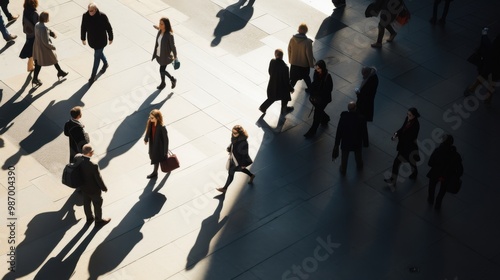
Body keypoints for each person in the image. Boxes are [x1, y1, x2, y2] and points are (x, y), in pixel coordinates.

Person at [384, 107, 421, 191]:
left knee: (397, 163)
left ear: (414, 116)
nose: (408, 116)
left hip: (408, 148)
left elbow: (411, 137)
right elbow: (402, 129)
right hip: (405, 147)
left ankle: (393, 180)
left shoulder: (416, 125)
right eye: (407, 114)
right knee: (411, 161)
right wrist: (396, 134)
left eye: (410, 115)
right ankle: (414, 173)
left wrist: (398, 137)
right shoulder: (408, 119)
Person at [74, 144, 111, 226]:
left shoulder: (78, 159)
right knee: (97, 204)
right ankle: (98, 220)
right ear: (90, 153)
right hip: (94, 190)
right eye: (92, 151)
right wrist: (104, 188)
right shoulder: (93, 165)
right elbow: (98, 179)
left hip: (84, 188)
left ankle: (89, 218)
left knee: (86, 203)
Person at [32, 11, 68, 87]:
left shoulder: (37, 25)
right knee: (51, 59)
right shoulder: (43, 29)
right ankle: (59, 72)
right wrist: (53, 47)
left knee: (40, 62)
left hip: (38, 46)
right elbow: (46, 42)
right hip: (44, 48)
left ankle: (60, 71)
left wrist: (51, 33)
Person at [427, 134, 463, 210]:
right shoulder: (455, 155)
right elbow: (460, 169)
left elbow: (430, 163)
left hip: (436, 173)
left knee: (432, 187)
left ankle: (431, 199)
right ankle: (438, 204)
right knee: (442, 190)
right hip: (447, 176)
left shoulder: (437, 151)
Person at [464, 28, 500, 104]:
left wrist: (484, 35)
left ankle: (471, 89)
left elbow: (490, 47)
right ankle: (488, 99)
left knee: (483, 76)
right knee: (493, 81)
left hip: (491, 62)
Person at [81, 2, 113, 84]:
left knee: (96, 57)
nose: (90, 12)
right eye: (89, 10)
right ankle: (105, 63)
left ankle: (92, 76)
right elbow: (83, 27)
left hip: (101, 41)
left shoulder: (102, 16)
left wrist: (111, 38)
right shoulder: (85, 16)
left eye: (91, 10)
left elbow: (109, 28)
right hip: (92, 41)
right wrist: (83, 38)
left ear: (95, 10)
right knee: (99, 54)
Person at [332, 102, 368, 175]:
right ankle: (359, 165)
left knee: (344, 156)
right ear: (355, 108)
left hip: (346, 140)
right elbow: (364, 132)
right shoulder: (361, 118)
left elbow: (339, 131)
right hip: (357, 141)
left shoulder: (344, 117)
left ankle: (343, 169)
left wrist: (337, 143)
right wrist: (365, 143)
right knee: (358, 155)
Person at [216, 125, 255, 193]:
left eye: (235, 133)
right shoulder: (234, 137)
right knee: (240, 170)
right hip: (234, 158)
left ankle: (225, 188)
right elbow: (233, 144)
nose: (233, 134)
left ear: (240, 133)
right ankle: (251, 175)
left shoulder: (244, 142)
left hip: (239, 161)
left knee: (231, 173)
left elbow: (245, 154)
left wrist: (243, 164)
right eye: (233, 132)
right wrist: (230, 148)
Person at [259, 49, 294, 114]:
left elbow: (269, 71)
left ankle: (263, 107)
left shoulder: (272, 62)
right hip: (281, 86)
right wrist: (291, 88)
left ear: (275, 55)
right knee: (285, 95)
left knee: (271, 98)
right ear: (282, 56)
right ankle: (284, 109)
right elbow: (286, 80)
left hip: (272, 84)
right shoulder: (285, 67)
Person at [304, 60, 333, 138]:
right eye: (316, 68)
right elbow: (314, 83)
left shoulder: (328, 76)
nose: (317, 70)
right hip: (317, 97)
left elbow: (329, 89)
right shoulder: (316, 73)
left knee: (317, 114)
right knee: (318, 111)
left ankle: (312, 131)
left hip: (323, 99)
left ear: (322, 68)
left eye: (318, 68)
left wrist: (320, 94)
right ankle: (325, 118)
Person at [152, 17, 177, 90]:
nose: (160, 25)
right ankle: (163, 83)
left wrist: (175, 56)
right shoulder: (160, 31)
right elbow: (159, 30)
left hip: (165, 56)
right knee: (161, 70)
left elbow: (173, 46)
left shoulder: (169, 35)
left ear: (166, 25)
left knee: (162, 70)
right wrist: (157, 27)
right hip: (159, 54)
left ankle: (172, 79)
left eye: (162, 24)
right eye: (159, 23)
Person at [288, 23, 315, 93]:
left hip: (294, 64)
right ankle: (310, 89)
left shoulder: (292, 39)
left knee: (293, 79)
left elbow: (289, 50)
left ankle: (288, 90)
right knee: (306, 77)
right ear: (306, 31)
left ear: (298, 30)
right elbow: (309, 54)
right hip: (304, 65)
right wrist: (311, 64)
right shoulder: (307, 42)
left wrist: (290, 60)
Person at [143, 109, 169, 179]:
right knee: (154, 157)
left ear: (157, 118)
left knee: (157, 159)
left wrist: (165, 151)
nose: (150, 119)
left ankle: (155, 173)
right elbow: (148, 131)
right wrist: (146, 139)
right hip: (153, 144)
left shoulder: (162, 127)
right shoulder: (151, 123)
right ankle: (156, 172)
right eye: (150, 117)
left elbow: (166, 140)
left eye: (152, 118)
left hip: (159, 146)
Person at [19, 0, 39, 72]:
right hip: (34, 34)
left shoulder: (26, 9)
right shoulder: (34, 13)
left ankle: (31, 65)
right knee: (32, 49)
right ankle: (30, 67)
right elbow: (38, 25)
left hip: (29, 32)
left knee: (31, 47)